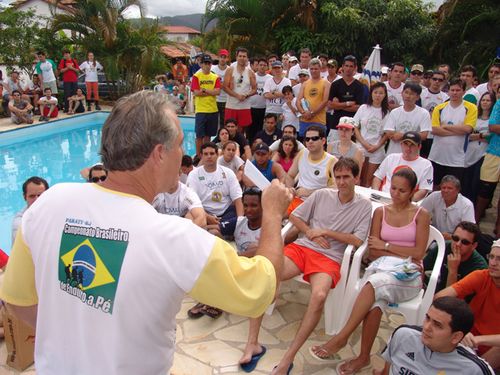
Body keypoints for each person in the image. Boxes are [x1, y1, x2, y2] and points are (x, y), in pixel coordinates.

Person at [0, 91, 292, 375]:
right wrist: (274, 213)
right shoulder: (173, 238)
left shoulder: (48, 204)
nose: (182, 154)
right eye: (179, 144)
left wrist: (73, 341)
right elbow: (260, 291)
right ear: (159, 154)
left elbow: (16, 300)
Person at [239, 157, 372, 374]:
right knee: (267, 274)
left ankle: (287, 359)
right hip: (303, 247)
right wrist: (310, 231)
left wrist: (326, 232)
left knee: (319, 296)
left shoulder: (364, 206)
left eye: (347, 177)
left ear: (356, 177)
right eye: (337, 177)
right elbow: (295, 215)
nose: (341, 182)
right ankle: (252, 343)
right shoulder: (322, 195)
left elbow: (358, 241)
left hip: (330, 257)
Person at [310, 168, 431, 374]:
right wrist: (394, 250)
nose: (395, 193)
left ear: (412, 192)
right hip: (380, 268)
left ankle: (341, 337)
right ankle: (363, 358)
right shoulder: (380, 212)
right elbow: (373, 251)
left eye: (402, 190)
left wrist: (386, 246)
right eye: (393, 188)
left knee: (373, 285)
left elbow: (419, 252)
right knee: (375, 303)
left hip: (408, 275)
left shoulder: (422, 214)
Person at [375, 297, 494, 375]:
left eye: (437, 325)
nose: (426, 327)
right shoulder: (403, 335)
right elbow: (387, 370)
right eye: (427, 318)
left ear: (456, 337)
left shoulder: (474, 369)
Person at [436, 240, 500, 370]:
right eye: (491, 257)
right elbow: (441, 298)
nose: (493, 263)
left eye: (499, 259)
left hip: (491, 346)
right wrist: (460, 327)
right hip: (466, 337)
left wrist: (478, 340)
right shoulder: (482, 276)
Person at [429, 78, 477, 187]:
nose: (455, 93)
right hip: (437, 156)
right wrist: (458, 130)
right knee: (435, 187)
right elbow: (435, 129)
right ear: (448, 91)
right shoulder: (439, 108)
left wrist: (445, 126)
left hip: (457, 159)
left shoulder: (471, 108)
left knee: (452, 189)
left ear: (464, 92)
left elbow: (468, 129)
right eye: (452, 90)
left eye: (458, 90)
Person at [187, 142, 243, 225]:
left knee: (238, 218)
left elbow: (238, 199)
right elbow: (191, 201)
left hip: (226, 212)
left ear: (217, 155)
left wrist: (240, 222)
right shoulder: (193, 175)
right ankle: (215, 229)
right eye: (206, 154)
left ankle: (216, 229)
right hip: (203, 212)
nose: (209, 156)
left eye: (212, 153)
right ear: (201, 156)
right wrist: (207, 217)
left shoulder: (228, 172)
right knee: (189, 216)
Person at [286, 126, 337, 214]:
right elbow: (290, 175)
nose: (310, 141)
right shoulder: (302, 153)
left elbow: (336, 188)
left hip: (318, 204)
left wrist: (309, 192)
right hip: (297, 199)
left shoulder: (332, 161)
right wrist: (290, 189)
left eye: (314, 138)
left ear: (323, 141)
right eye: (307, 139)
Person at [424, 221, 487, 292]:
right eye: (455, 238)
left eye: (465, 242)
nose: (458, 244)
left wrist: (453, 271)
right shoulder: (442, 247)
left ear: (474, 246)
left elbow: (450, 300)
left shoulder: (479, 268)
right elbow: (422, 270)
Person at [372, 131, 433, 201]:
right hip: (384, 197)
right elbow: (377, 178)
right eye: (406, 144)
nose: (408, 148)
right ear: (401, 144)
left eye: (412, 145)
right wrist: (376, 194)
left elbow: (423, 190)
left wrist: (406, 203)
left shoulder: (426, 165)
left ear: (419, 146)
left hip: (407, 202)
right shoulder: (391, 158)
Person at [353, 82, 389, 187]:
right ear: (371, 93)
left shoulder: (386, 112)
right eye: (375, 92)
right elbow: (355, 126)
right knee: (357, 178)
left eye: (381, 93)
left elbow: (386, 133)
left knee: (368, 180)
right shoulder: (363, 108)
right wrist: (363, 143)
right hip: (361, 145)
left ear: (385, 95)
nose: (378, 95)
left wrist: (377, 146)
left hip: (377, 148)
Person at [475, 84, 500, 231]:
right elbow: (493, 127)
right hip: (494, 152)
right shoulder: (499, 104)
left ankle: (498, 227)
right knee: (485, 191)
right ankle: (476, 221)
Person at [463, 92, 495, 203]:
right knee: (466, 182)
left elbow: (491, 137)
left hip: (483, 154)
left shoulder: (493, 120)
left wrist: (476, 136)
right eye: (483, 100)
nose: (485, 102)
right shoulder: (474, 117)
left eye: (488, 100)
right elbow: (466, 135)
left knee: (476, 183)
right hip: (469, 153)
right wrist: (481, 136)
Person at [421, 175, 475, 240]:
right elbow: (419, 212)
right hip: (435, 236)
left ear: (457, 190)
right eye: (443, 188)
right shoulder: (434, 196)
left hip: (456, 240)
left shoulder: (466, 205)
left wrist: (452, 236)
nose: (446, 190)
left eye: (450, 188)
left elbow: (469, 230)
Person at [384, 81, 432, 155]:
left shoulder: (423, 113)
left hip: (412, 155)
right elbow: (389, 132)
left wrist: (402, 135)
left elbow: (424, 135)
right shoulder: (394, 112)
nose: (408, 96)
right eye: (406, 92)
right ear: (402, 93)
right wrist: (413, 136)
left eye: (412, 94)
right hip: (393, 154)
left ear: (417, 97)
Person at [217, 187, 263, 256]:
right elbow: (215, 228)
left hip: (259, 264)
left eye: (253, 206)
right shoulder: (239, 222)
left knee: (255, 247)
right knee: (213, 232)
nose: (248, 209)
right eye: (245, 205)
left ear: (263, 205)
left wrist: (237, 258)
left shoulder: (271, 226)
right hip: (238, 262)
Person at [327, 55, 365, 140]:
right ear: (343, 66)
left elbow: (359, 108)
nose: (348, 68)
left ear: (355, 68)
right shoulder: (335, 84)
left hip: (352, 126)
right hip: (336, 124)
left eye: (351, 66)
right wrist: (347, 104)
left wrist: (338, 105)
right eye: (346, 66)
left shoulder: (359, 86)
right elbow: (330, 105)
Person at [191, 54, 221, 156]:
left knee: (208, 136)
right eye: (205, 63)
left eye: (209, 63)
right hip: (201, 110)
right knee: (199, 136)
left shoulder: (215, 77)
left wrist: (204, 89)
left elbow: (217, 92)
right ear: (201, 64)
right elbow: (196, 92)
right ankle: (198, 155)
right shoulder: (196, 76)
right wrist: (210, 91)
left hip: (212, 110)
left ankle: (205, 154)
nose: (207, 65)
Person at [223, 47, 257, 134]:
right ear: (236, 57)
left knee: (241, 131)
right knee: (229, 130)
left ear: (247, 58)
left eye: (244, 56)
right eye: (240, 56)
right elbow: (225, 87)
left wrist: (246, 95)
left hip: (244, 106)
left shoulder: (250, 72)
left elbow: (254, 89)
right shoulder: (230, 70)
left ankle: (240, 147)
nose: (242, 58)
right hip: (231, 105)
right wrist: (237, 95)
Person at [296, 58, 330, 137]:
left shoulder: (326, 83)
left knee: (318, 143)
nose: (313, 71)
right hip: (305, 120)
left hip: (319, 120)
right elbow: (298, 101)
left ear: (320, 69)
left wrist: (312, 113)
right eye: (311, 69)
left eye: (316, 69)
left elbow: (325, 101)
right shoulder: (305, 84)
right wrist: (303, 113)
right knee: (305, 144)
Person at [420, 70, 449, 158]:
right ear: (430, 79)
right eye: (435, 79)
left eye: (440, 80)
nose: (437, 81)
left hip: (435, 135)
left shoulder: (446, 97)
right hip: (422, 132)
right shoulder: (421, 94)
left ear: (443, 82)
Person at [11, 176, 49, 244]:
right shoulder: (19, 222)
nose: (37, 200)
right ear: (25, 197)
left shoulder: (54, 212)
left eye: (40, 195)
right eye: (32, 196)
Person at [248, 57, 270, 141]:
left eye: (264, 65)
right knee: (251, 129)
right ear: (257, 66)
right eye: (260, 65)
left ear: (267, 67)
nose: (262, 67)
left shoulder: (270, 78)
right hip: (252, 106)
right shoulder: (252, 76)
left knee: (261, 129)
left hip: (264, 107)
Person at [263, 61, 291, 126]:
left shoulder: (287, 81)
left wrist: (273, 93)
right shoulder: (268, 80)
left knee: (280, 132)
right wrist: (281, 94)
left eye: (278, 68)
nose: (277, 70)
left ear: (282, 68)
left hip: (282, 111)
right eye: (275, 68)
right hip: (270, 110)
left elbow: (288, 95)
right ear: (272, 70)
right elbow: (266, 95)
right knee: (268, 130)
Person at [212, 49, 230, 128]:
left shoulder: (230, 70)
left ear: (227, 59)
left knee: (224, 123)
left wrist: (219, 84)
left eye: (224, 57)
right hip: (214, 99)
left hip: (226, 99)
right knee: (213, 123)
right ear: (218, 58)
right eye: (221, 57)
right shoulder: (212, 69)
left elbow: (230, 85)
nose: (222, 59)